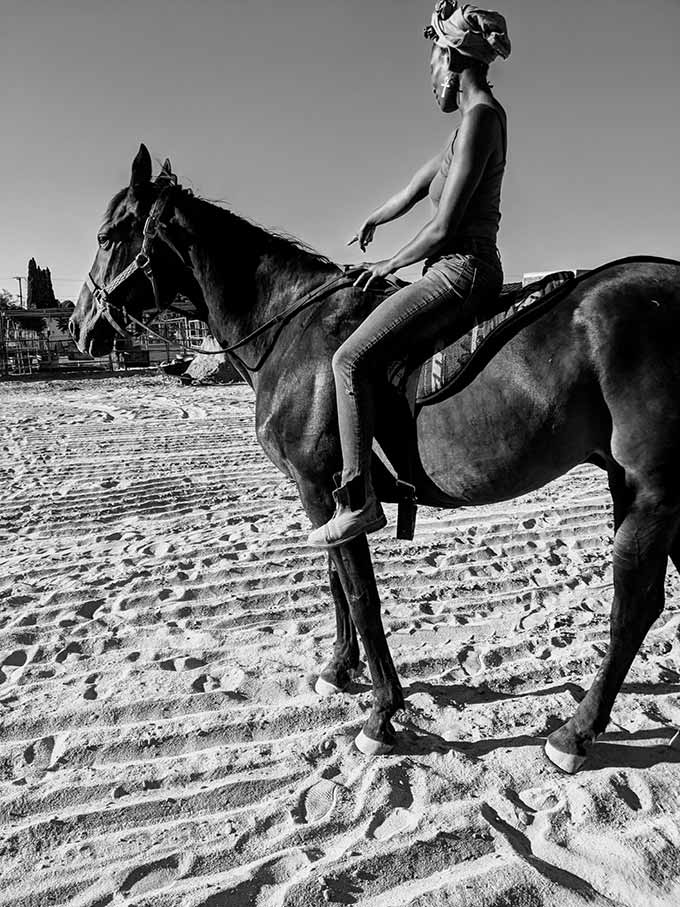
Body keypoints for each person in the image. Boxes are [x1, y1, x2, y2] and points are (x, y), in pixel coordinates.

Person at [308, 1, 511, 548]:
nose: (429, 79)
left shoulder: (482, 119)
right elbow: (415, 188)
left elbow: (444, 225)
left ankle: (359, 501)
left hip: (462, 269)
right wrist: (375, 217)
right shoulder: (462, 131)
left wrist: (390, 263)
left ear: (452, 58)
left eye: (431, 63)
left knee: (349, 358)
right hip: (452, 266)